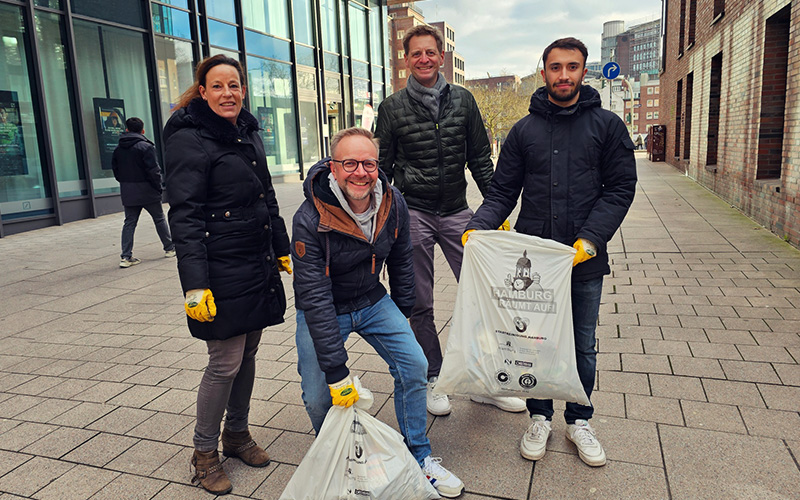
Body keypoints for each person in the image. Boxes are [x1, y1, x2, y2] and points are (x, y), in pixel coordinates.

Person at [464, 37, 637, 468]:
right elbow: (502, 191)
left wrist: (592, 237)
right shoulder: (524, 131)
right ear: (543, 72)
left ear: (583, 71)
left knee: (581, 346)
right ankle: (539, 416)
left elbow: (620, 188)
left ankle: (579, 420)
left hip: (583, 259)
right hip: (536, 263)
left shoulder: (607, 126)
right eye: (555, 67)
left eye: (572, 67)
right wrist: (477, 227)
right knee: (536, 341)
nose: (564, 75)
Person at [291, 127, 465, 498]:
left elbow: (402, 258)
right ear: (333, 168)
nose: (360, 172)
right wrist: (337, 371)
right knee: (319, 395)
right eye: (350, 163)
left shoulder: (392, 201)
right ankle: (339, 459)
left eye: (368, 163)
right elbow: (315, 295)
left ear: (378, 166)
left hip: (371, 300)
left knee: (414, 365)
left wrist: (402, 312)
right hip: (324, 308)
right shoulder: (310, 216)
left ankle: (419, 456)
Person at [374, 24, 525, 416]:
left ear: (442, 57)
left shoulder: (464, 100)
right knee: (418, 300)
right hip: (415, 215)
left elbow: (479, 160)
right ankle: (433, 377)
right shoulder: (391, 108)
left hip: (459, 212)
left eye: (430, 52)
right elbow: (382, 170)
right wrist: (382, 220)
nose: (424, 59)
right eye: (416, 53)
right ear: (406, 60)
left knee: (484, 296)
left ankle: (484, 379)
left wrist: (497, 211)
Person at [163, 54, 293, 496]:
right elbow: (184, 215)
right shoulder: (189, 138)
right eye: (217, 86)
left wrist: (280, 247)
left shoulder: (248, 130)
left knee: (250, 351)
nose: (227, 93)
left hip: (254, 259)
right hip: (219, 268)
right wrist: (194, 285)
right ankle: (204, 453)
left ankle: (236, 435)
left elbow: (266, 195)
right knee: (225, 362)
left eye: (234, 85)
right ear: (202, 92)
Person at [111, 117, 175, 268]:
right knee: (159, 219)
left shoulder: (118, 148)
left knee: (129, 222)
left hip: (128, 191)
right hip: (147, 190)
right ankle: (169, 248)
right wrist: (158, 187)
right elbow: (153, 170)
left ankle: (126, 257)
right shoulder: (146, 147)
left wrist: (126, 183)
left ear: (126, 129)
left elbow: (116, 170)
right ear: (143, 130)